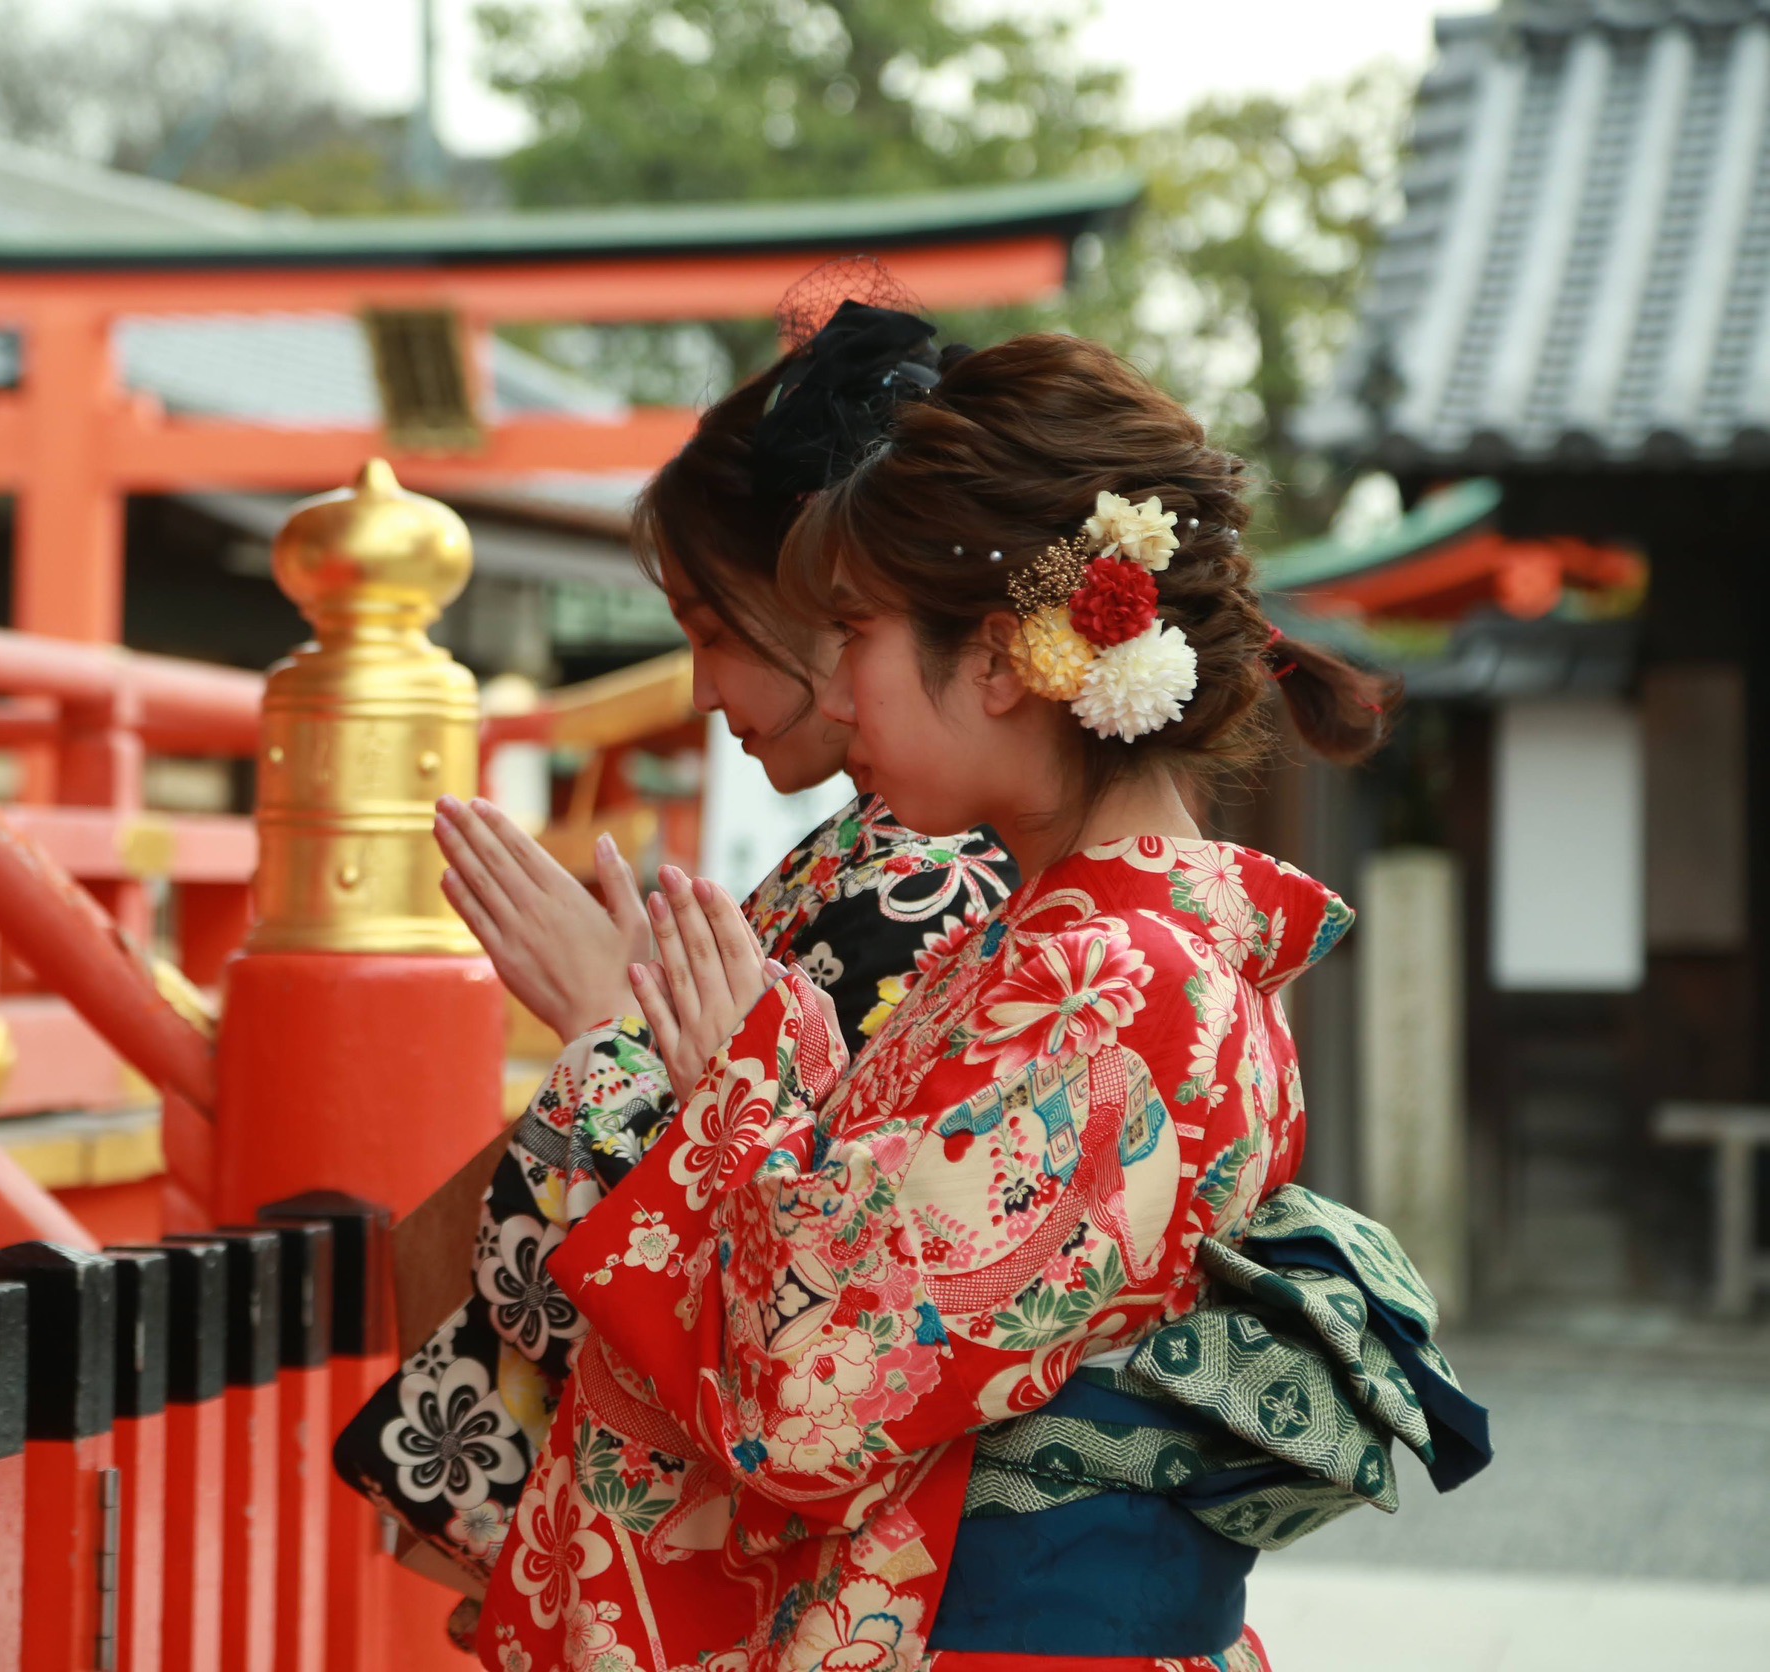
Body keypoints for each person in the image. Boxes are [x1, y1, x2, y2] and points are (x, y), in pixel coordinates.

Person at [474, 328, 1485, 1672]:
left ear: (1006, 660)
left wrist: (707, 1090)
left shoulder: (1116, 984)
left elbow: (813, 1395)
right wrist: (756, 1078)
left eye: (856, 634)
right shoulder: (1099, 953)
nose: (835, 687)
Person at [331, 300, 1019, 1596]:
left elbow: (811, 1284)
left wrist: (615, 1036)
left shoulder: (953, 888)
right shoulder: (886, 859)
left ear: (840, 601)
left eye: (715, 633)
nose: (700, 688)